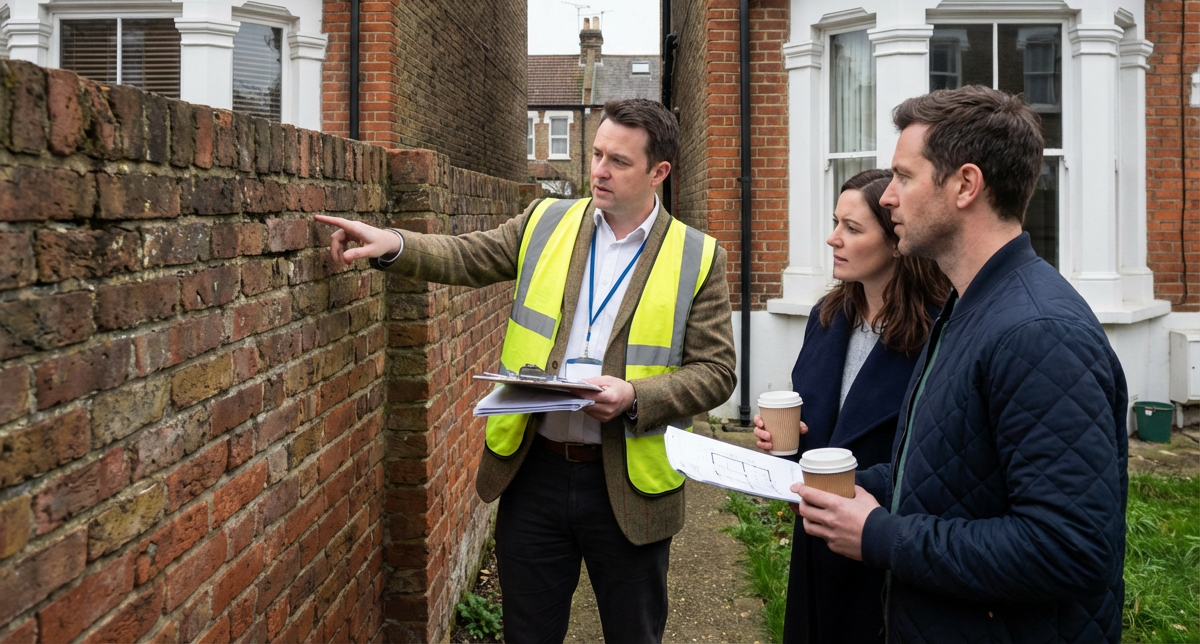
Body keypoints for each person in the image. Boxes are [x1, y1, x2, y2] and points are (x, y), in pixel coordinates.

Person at [316, 98, 736, 644]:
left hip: (630, 487)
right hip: (534, 473)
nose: (598, 171)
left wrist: (635, 395)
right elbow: (466, 256)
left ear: (659, 172)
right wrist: (393, 244)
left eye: (618, 161)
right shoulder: (547, 221)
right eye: (595, 153)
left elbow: (717, 371)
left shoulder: (698, 255)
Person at [796, 85, 1129, 642]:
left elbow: (1069, 548)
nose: (891, 198)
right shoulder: (966, 305)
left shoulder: (1039, 332)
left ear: (965, 185)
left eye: (904, 177)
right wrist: (859, 484)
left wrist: (881, 535)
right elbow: (952, 470)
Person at [752, 168, 949, 643]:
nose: (832, 238)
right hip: (816, 540)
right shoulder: (827, 318)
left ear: (896, 239)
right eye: (835, 222)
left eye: (852, 228)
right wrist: (779, 437)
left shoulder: (938, 332)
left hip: (882, 544)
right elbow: (818, 424)